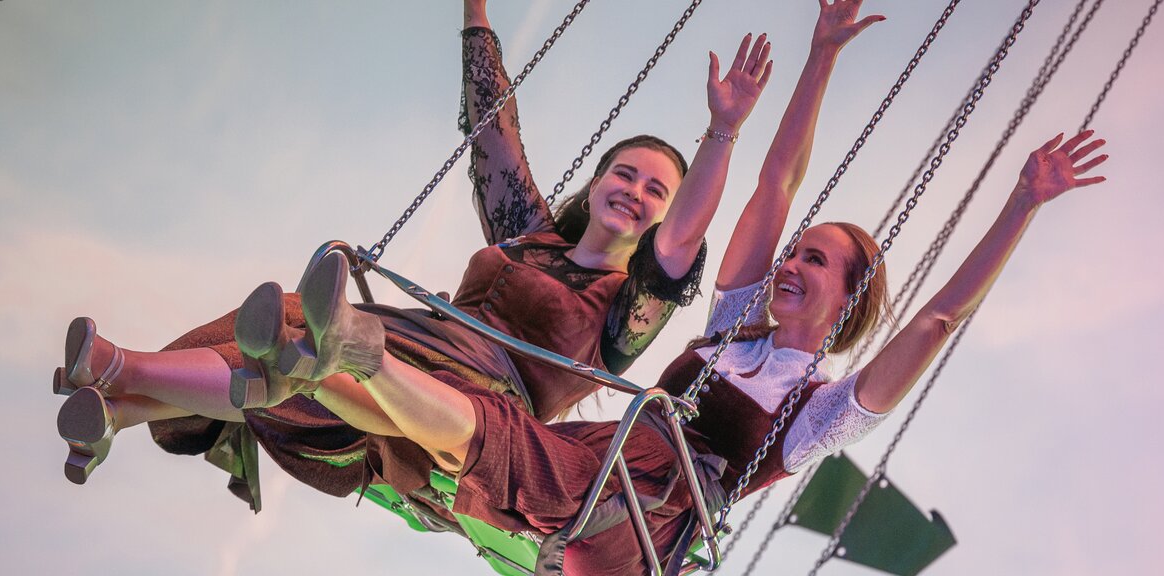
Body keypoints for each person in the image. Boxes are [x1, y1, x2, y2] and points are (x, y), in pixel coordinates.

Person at [238, 3, 1112, 572]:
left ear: (847, 302)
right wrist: (820, 60)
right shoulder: (734, 326)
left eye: (813, 261)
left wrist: (1021, 206)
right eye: (794, 252)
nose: (788, 264)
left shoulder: (820, 412)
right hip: (596, 464)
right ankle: (340, 363)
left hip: (656, 514)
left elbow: (938, 318)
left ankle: (350, 368)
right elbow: (774, 184)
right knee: (504, 435)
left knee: (547, 477)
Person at [48, 0, 774, 506]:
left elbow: (680, 245)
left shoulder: (627, 311)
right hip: (405, 338)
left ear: (665, 218)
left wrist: (723, 132)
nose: (636, 192)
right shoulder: (527, 233)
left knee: (319, 348)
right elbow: (495, 130)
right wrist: (477, 13)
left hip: (463, 412)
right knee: (295, 321)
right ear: (597, 180)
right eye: (626, 173)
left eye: (657, 191)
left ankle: (122, 380)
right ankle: (120, 399)